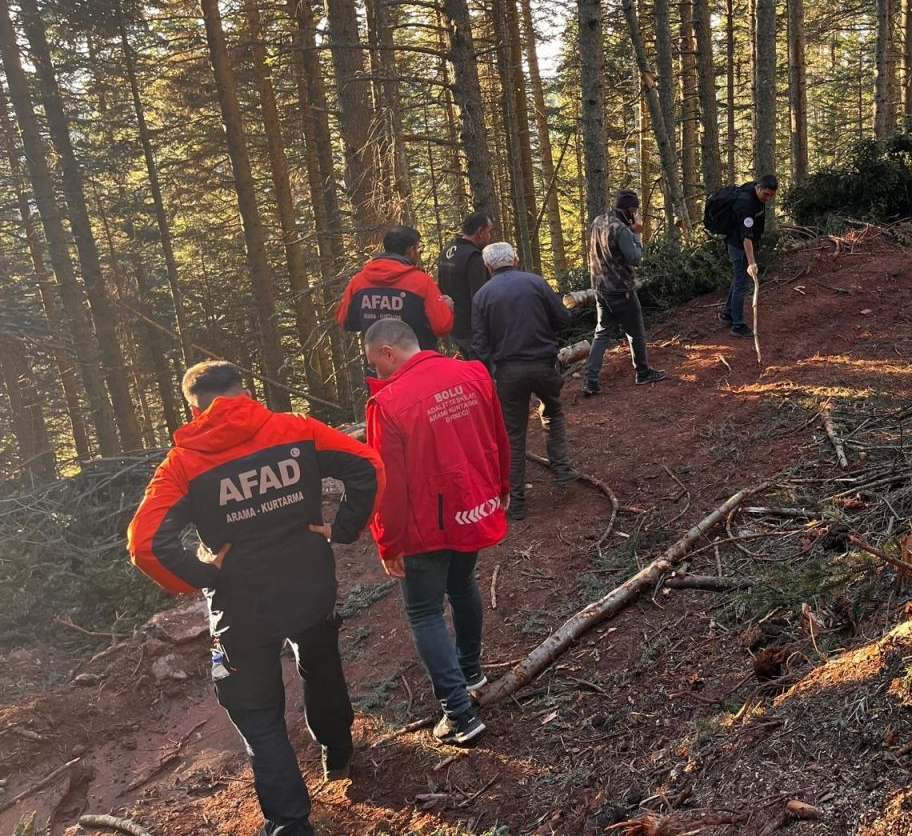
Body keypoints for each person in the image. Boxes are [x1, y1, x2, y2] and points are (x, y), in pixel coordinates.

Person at [128, 361, 384, 836]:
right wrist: (343, 528)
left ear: (193, 406)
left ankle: (290, 823)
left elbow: (145, 544)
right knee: (321, 663)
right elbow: (367, 464)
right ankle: (338, 753)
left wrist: (203, 575)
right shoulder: (294, 429)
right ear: (244, 391)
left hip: (240, 603)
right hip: (310, 582)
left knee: (256, 710)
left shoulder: (184, 463)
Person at [363, 318, 509, 746]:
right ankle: (470, 671)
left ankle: (459, 713)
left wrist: (387, 540)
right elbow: (498, 436)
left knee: (424, 611)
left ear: (389, 352)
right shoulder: (473, 373)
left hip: (425, 524)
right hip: (471, 504)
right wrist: (500, 486)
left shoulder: (388, 403)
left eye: (377, 364)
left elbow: (385, 482)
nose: (378, 373)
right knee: (462, 584)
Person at [470, 242, 578, 520]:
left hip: (508, 373)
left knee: (513, 436)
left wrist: (485, 378)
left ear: (488, 266)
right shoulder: (537, 283)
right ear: (515, 259)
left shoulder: (482, 295)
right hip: (544, 364)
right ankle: (562, 470)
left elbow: (481, 346)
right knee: (553, 412)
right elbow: (564, 319)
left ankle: (515, 501)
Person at [581, 190, 667, 397]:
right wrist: (637, 233)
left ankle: (590, 380)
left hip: (600, 288)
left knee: (601, 333)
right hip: (621, 290)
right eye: (635, 210)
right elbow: (635, 258)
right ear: (630, 210)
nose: (636, 214)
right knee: (635, 332)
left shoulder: (599, 221)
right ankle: (643, 372)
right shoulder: (623, 231)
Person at [337, 225, 455, 357]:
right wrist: (447, 308)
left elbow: (344, 321)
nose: (418, 252)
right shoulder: (421, 282)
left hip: (379, 366)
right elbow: (442, 326)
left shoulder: (358, 282)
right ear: (410, 250)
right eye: (417, 248)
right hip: (417, 364)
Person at [719, 174, 779, 339]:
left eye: (771, 196)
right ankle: (738, 325)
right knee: (742, 284)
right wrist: (751, 263)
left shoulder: (755, 195)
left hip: (742, 243)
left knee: (738, 279)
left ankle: (728, 313)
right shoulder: (745, 204)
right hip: (739, 246)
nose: (767, 198)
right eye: (765, 194)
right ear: (758, 187)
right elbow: (746, 237)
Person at [437, 210, 495, 360]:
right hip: (472, 331)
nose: (490, 237)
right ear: (480, 232)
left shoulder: (447, 252)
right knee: (482, 371)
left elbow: (441, 288)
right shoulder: (474, 258)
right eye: (489, 232)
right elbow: (480, 298)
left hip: (455, 326)